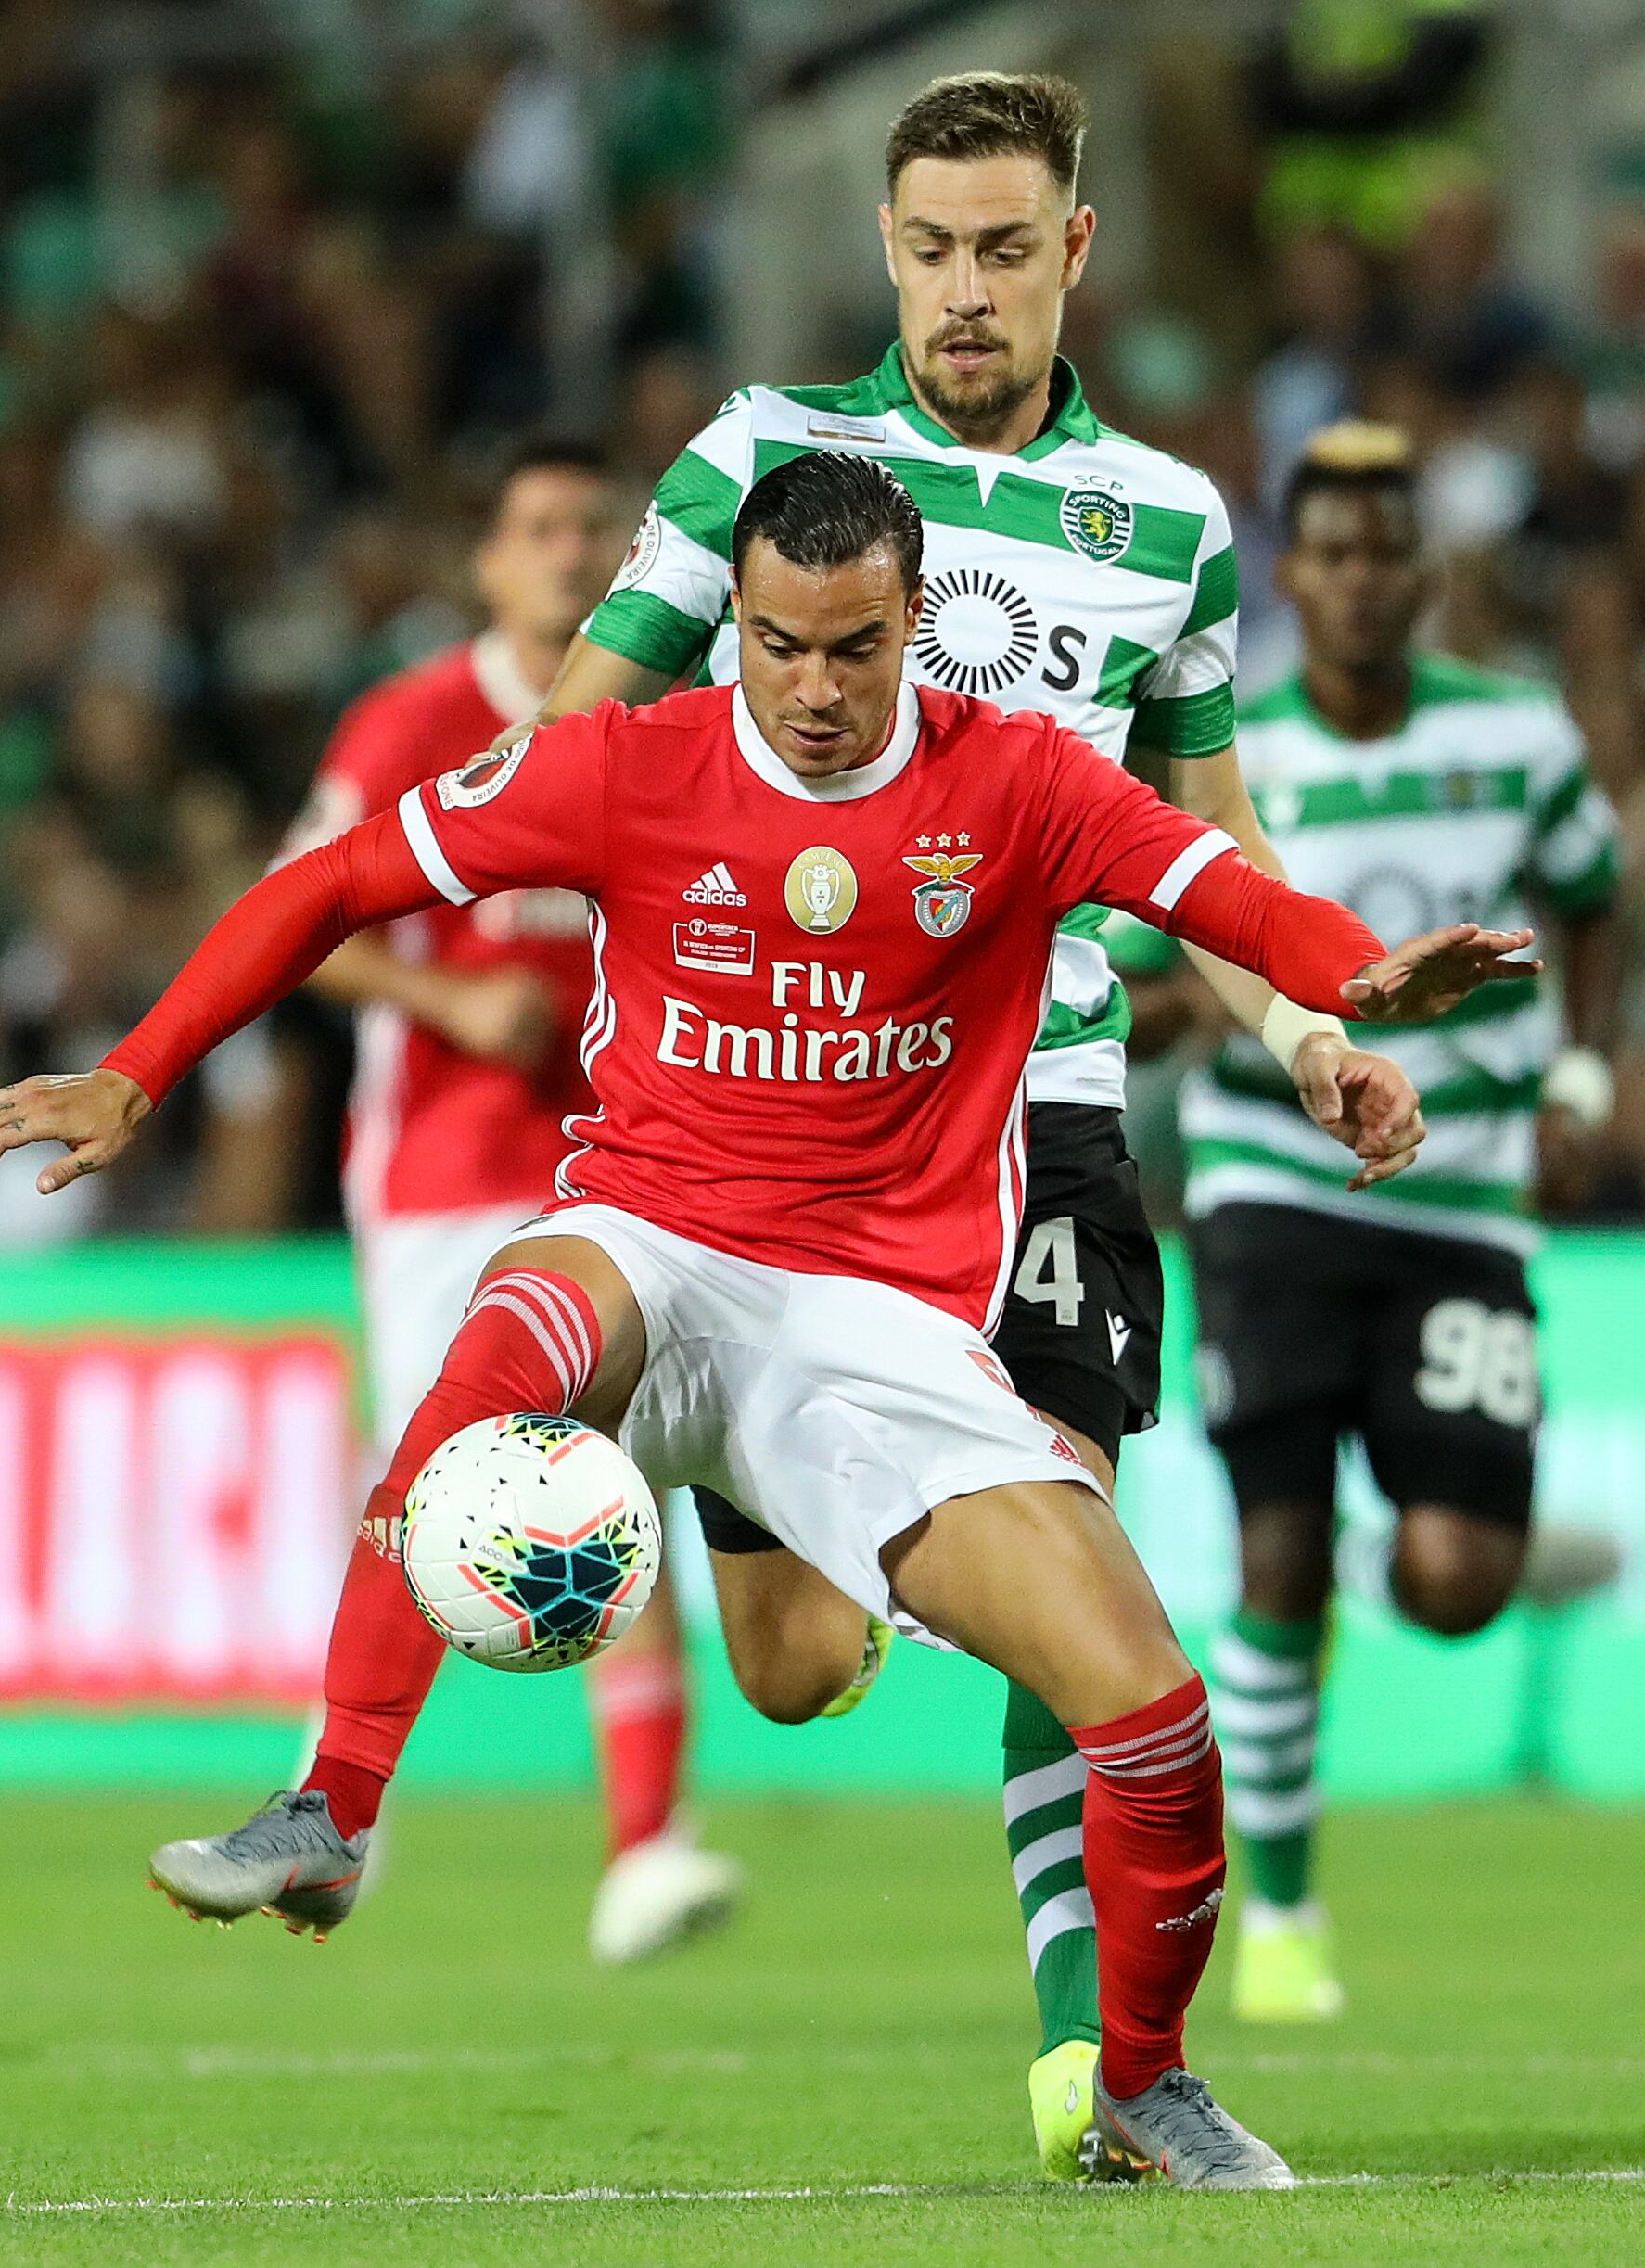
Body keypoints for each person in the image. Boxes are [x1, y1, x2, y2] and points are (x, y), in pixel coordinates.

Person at [0, 451, 1533, 2187]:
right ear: (736, 625)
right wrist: (133, 1071)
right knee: (501, 1348)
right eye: (778, 643)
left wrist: (1351, 977)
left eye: (857, 648)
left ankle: (1142, 2084)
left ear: (918, 620)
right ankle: (335, 1805)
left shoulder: (1023, 785)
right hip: (653, 1240)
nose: (818, 688)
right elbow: (333, 885)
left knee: (1149, 1717)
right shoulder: (627, 766)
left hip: (877, 1332)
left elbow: (1225, 893)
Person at [472, 69, 1405, 2174]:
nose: (963, 290)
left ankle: (1103, 2061)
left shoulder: (1166, 523)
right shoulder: (758, 462)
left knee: (1077, 1528)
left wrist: (1303, 1027)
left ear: (1075, 248)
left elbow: (1206, 833)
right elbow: (571, 737)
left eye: (1004, 249)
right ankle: (814, 1500)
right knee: (795, 1671)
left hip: (1045, 1106)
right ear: (881, 248)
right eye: (926, 249)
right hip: (779, 1137)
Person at [1166, 423, 1627, 2024]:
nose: (1362, 583)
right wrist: (1184, 1016)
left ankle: (1374, 1526)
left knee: (1454, 1580)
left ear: (1424, 575)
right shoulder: (1239, 757)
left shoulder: (1522, 733)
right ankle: (1281, 1920)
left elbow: (1595, 897)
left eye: (1387, 554)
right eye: (1333, 555)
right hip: (1271, 1181)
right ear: (1292, 576)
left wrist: (1578, 1073)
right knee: (1273, 1549)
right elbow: (1180, 939)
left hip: (1471, 1196)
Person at [287, 438, 741, 1965]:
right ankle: (336, 1808)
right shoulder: (414, 720)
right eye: (537, 528)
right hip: (442, 1172)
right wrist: (450, 1004)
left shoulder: (672, 726)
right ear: (489, 564)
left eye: (592, 530)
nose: (567, 553)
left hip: (615, 1169)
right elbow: (307, 917)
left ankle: (645, 1847)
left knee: (623, 1488)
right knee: (421, 1488)